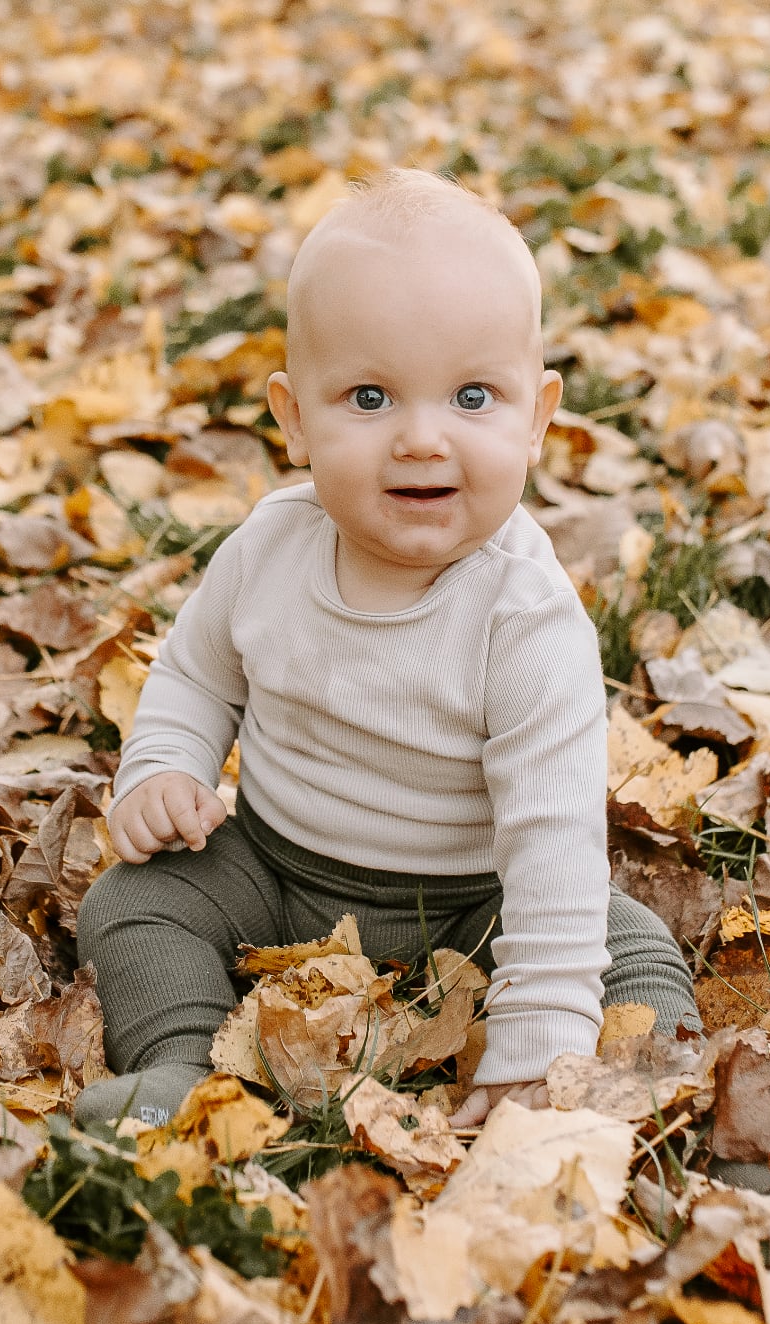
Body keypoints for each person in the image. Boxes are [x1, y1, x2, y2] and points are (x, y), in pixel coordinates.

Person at [74, 167, 699, 1132]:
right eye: (369, 397)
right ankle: (190, 1075)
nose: (420, 438)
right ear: (293, 420)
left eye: (473, 396)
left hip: (473, 905)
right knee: (132, 904)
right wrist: (164, 767)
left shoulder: (524, 618)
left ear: (537, 420)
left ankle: (639, 1086)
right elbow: (197, 674)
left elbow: (551, 842)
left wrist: (538, 1034)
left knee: (626, 945)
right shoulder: (269, 551)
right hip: (277, 876)